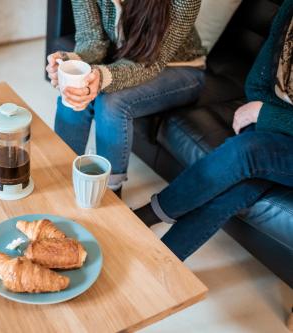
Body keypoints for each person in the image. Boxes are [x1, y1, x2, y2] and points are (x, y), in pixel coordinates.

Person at [134, 0, 293, 261]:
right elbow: (258, 80)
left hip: (274, 127)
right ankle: (164, 260)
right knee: (239, 187)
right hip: (274, 126)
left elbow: (262, 109)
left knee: (246, 151)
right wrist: (269, 116)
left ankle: (152, 213)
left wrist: (266, 114)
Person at [46, 0, 206, 193]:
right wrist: (69, 64)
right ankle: (60, 177)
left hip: (182, 68)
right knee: (73, 85)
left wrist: (100, 76)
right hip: (125, 59)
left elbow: (152, 61)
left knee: (111, 102)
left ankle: (108, 191)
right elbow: (92, 40)